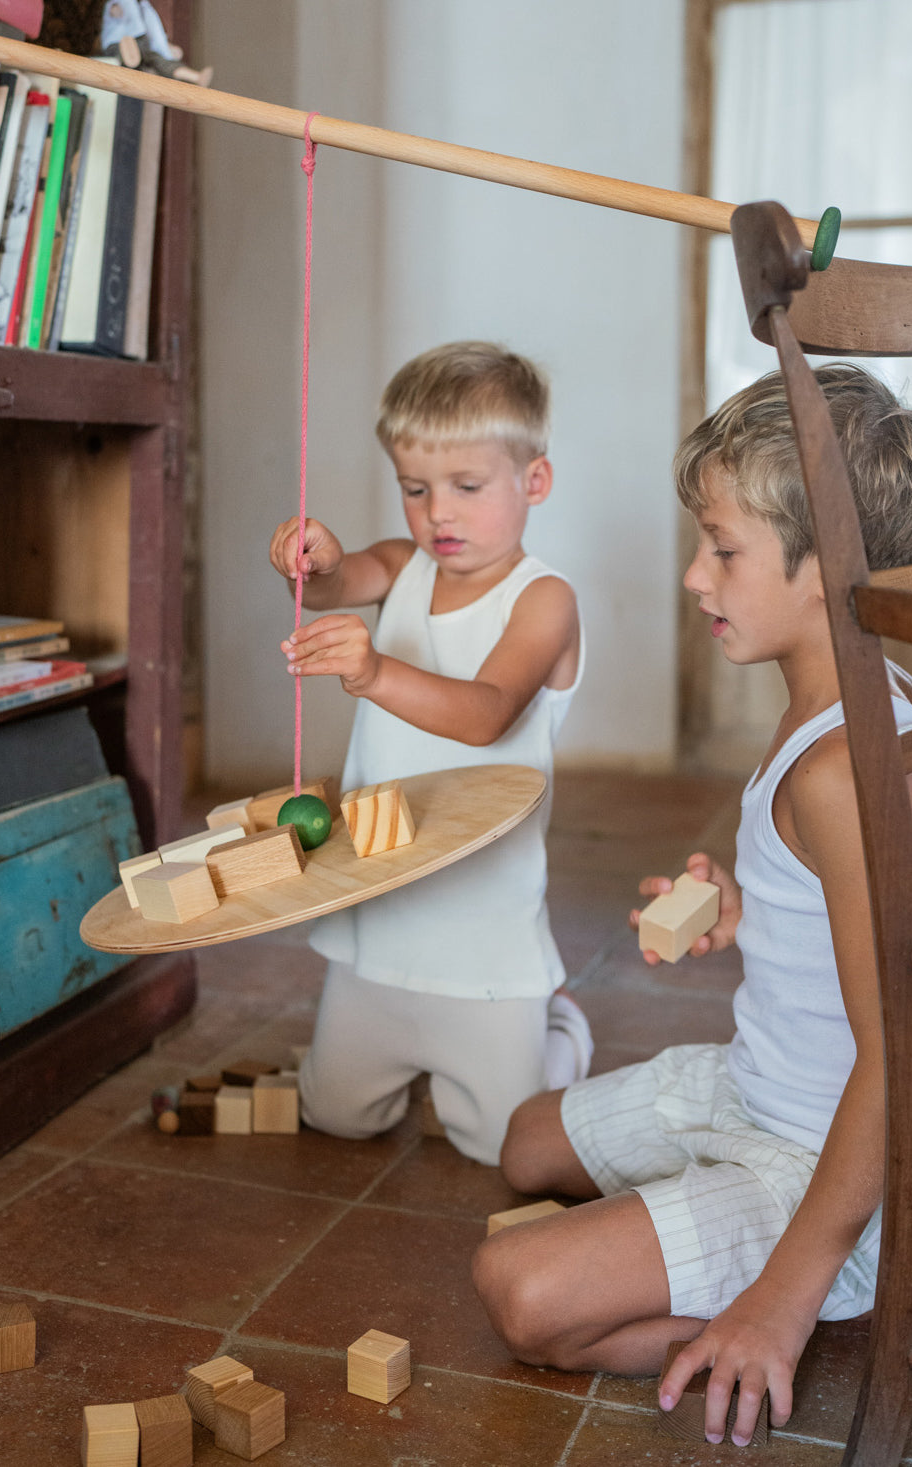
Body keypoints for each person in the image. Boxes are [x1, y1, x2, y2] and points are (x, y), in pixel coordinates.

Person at [471, 364, 912, 1445]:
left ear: (823, 569)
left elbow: (897, 1059)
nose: (695, 577)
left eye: (723, 549)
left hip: (839, 1163)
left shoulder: (841, 774)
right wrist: (745, 917)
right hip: (763, 1092)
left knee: (519, 1291)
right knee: (524, 1145)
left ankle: (805, 1310)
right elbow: (849, 933)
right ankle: (720, 1244)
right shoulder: (837, 709)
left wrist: (782, 1294)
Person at [267, 340, 591, 1166]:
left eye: (466, 487)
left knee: (499, 1145)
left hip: (484, 929)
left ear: (535, 481)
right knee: (336, 1112)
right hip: (383, 911)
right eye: (416, 488)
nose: (437, 514)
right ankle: (401, 1047)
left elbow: (486, 713)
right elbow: (342, 580)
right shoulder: (406, 563)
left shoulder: (544, 599)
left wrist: (374, 669)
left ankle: (557, 1026)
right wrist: (318, 559)